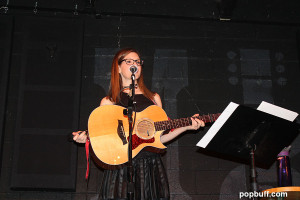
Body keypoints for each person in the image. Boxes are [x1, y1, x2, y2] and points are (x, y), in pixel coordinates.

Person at [72, 48, 205, 200]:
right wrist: (89, 139)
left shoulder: (154, 99)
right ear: (118, 68)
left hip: (149, 166)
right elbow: (104, 137)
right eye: (129, 61)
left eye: (137, 62)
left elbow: (159, 139)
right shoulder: (108, 101)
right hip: (120, 168)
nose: (134, 64)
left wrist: (186, 126)